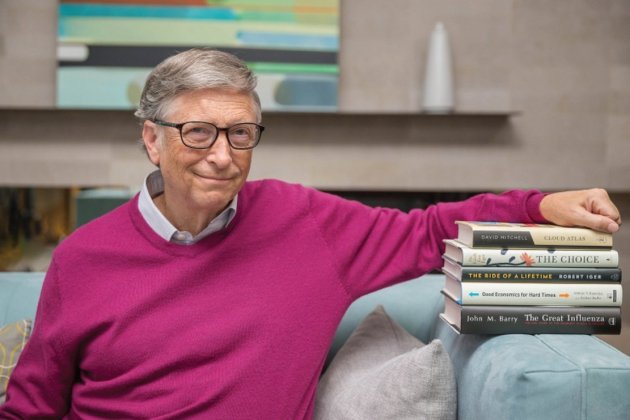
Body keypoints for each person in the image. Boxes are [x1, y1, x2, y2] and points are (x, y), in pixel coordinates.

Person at [0, 48, 621, 419]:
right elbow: (31, 406)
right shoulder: (83, 258)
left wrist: (538, 205)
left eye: (241, 133)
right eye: (198, 132)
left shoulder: (305, 223)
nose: (222, 155)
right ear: (152, 140)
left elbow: (430, 229)